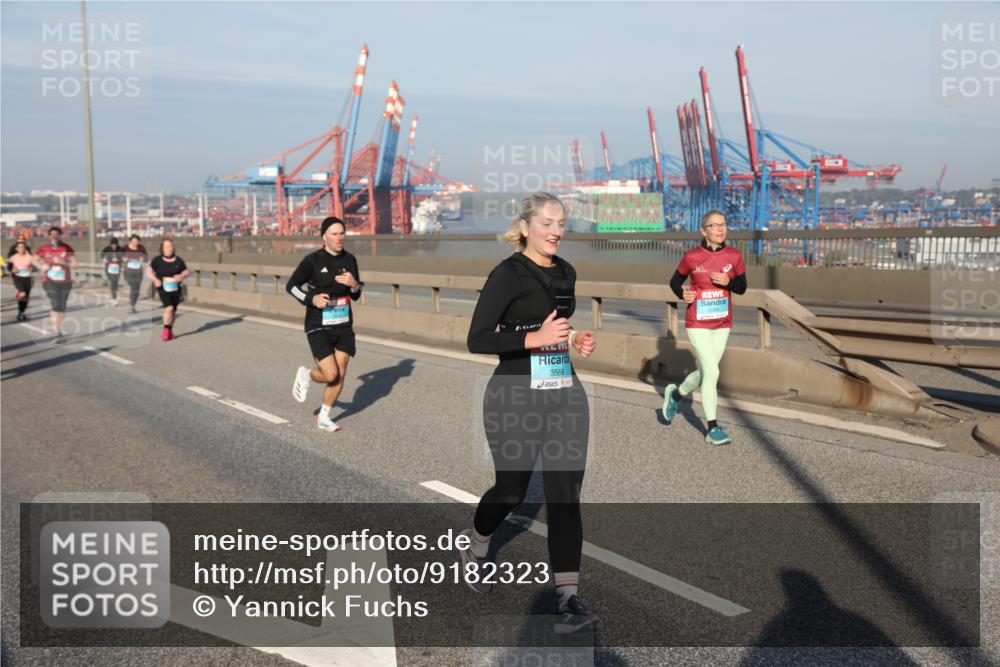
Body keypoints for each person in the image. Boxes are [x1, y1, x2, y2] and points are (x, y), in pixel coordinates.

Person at [459, 192, 597, 632]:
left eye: (561, 223)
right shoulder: (507, 274)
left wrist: (573, 340)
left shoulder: (566, 272)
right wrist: (532, 340)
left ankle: (568, 598)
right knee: (511, 490)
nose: (556, 231)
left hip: (563, 394)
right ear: (525, 228)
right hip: (515, 395)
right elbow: (478, 338)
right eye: (547, 223)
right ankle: (477, 544)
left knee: (564, 495)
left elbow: (556, 325)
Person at [662, 210, 748, 445]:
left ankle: (676, 394)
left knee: (706, 373)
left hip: (722, 323)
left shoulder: (734, 255)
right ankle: (712, 428)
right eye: (715, 225)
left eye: (724, 225)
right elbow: (675, 282)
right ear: (704, 231)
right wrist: (683, 293)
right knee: (713, 372)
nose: (721, 229)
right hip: (697, 322)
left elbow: (742, 287)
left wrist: (729, 282)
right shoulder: (691, 257)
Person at [286, 217, 362, 433]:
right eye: (334, 234)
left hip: (343, 324)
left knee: (341, 371)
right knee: (329, 374)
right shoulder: (313, 261)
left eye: (342, 233)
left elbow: (356, 295)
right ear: (324, 237)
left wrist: (354, 284)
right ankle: (306, 374)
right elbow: (291, 286)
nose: (339, 238)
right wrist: (312, 299)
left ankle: (324, 416)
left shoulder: (350, 260)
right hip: (318, 323)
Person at [33, 226, 78, 341]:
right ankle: (55, 329)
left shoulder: (66, 248)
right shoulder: (44, 248)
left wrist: (63, 262)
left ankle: (57, 328)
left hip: (65, 281)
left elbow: (75, 265)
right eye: (52, 234)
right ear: (49, 236)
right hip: (49, 281)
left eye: (57, 234)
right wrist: (41, 266)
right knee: (55, 303)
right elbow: (33, 260)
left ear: (60, 236)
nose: (54, 236)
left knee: (62, 307)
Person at [146, 238, 189, 341]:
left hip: (176, 289)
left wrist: (181, 276)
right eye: (166, 247)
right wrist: (155, 280)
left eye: (170, 246)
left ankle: (170, 331)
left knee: (173, 311)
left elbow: (186, 271)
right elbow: (148, 272)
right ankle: (165, 331)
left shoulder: (178, 260)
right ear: (162, 249)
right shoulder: (157, 260)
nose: (168, 249)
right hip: (162, 288)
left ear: (173, 248)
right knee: (169, 308)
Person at [7, 236, 34, 321]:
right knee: (23, 293)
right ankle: (20, 294)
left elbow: (35, 264)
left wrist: (31, 267)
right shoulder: (13, 254)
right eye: (19, 246)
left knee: (26, 297)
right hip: (17, 276)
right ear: (17, 248)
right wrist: (12, 270)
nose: (21, 248)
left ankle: (21, 312)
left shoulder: (29, 255)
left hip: (28, 278)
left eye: (23, 246)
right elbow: (8, 264)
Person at [122, 234, 148, 313]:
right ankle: (131, 306)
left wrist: (143, 259)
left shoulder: (141, 248)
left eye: (137, 241)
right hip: (128, 271)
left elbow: (146, 258)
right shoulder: (125, 248)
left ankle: (133, 304)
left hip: (138, 271)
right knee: (133, 287)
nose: (135, 243)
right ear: (130, 241)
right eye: (133, 241)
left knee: (137, 289)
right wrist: (124, 259)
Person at [101, 237, 125, 306]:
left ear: (117, 244)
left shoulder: (121, 249)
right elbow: (102, 255)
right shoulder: (107, 249)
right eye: (112, 245)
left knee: (115, 282)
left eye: (115, 245)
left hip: (117, 268)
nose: (114, 246)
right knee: (112, 282)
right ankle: (114, 298)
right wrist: (104, 259)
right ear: (111, 245)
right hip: (108, 267)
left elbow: (124, 258)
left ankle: (113, 295)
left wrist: (118, 260)